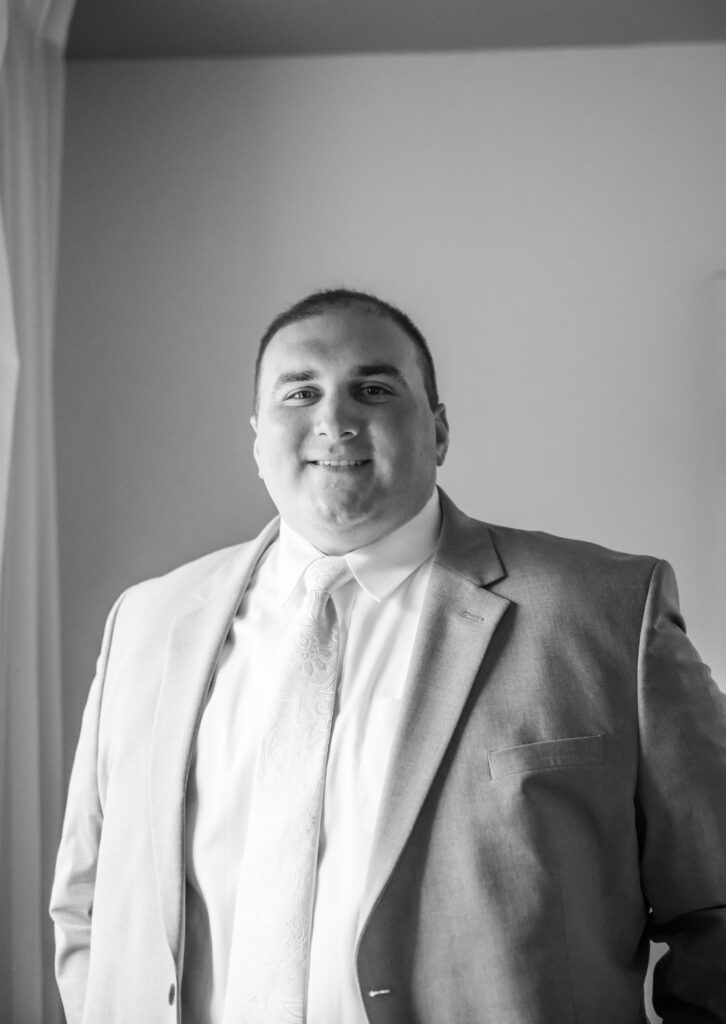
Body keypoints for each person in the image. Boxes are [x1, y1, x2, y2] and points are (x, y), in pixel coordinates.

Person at [50, 288, 726, 1024]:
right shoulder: (146, 622)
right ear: (256, 439)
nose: (334, 420)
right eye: (300, 392)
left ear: (437, 431)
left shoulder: (606, 612)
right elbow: (86, 908)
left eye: (373, 389)